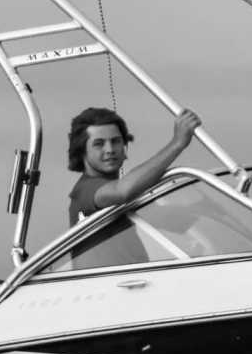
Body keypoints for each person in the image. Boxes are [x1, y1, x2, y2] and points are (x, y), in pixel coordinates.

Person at [66, 104, 201, 268]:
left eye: (115, 141)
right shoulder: (85, 189)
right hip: (107, 282)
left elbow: (170, 219)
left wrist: (200, 209)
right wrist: (178, 143)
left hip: (135, 279)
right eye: (99, 144)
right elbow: (122, 191)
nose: (109, 149)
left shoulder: (123, 202)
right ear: (82, 151)